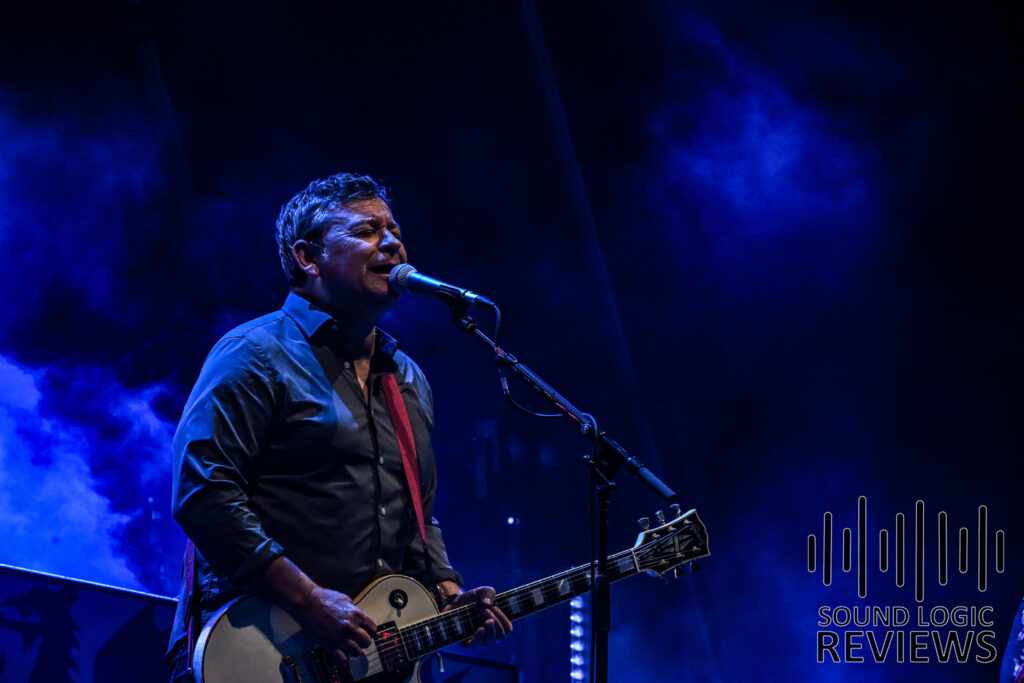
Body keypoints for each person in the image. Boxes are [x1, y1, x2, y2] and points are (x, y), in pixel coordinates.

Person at [166, 172, 511, 681]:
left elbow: (418, 516)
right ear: (308, 257)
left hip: (367, 662)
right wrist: (306, 600)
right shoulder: (256, 353)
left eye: (394, 230)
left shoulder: (407, 378)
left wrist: (447, 592)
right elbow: (203, 494)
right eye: (367, 231)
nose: (392, 243)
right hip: (253, 653)